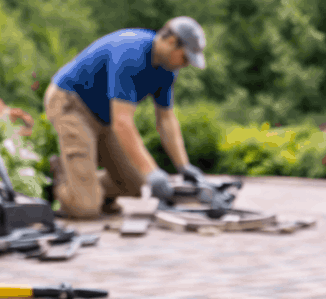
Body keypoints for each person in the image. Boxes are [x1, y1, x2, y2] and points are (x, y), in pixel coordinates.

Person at [44, 16, 212, 218]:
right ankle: (64, 176)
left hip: (106, 117)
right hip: (71, 103)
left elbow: (166, 119)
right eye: (185, 57)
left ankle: (86, 185)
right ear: (171, 42)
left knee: (136, 184)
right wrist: (153, 171)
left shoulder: (168, 70)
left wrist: (183, 165)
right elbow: (123, 123)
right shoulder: (131, 53)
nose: (186, 64)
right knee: (85, 210)